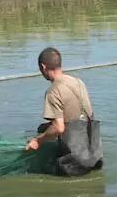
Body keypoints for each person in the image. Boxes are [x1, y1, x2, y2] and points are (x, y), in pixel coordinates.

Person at [26, 47, 103, 176]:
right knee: (43, 128)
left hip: (74, 164)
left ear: (43, 67)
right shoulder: (78, 82)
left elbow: (59, 128)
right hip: (95, 156)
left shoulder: (53, 91)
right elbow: (81, 115)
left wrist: (37, 141)